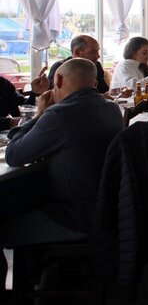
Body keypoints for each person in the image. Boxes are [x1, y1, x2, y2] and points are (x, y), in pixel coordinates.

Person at [1, 59, 123, 251]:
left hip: (76, 217)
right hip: (110, 210)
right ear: (95, 83)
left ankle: (37, 268)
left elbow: (13, 155)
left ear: (57, 79)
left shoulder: (59, 115)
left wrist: (40, 114)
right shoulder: (112, 108)